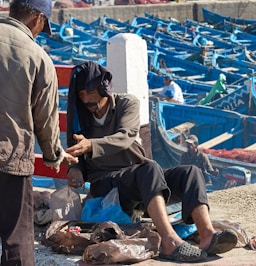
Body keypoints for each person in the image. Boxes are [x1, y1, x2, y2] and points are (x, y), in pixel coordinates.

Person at [65, 61, 238, 262]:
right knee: (150, 169)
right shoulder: (80, 116)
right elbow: (74, 153)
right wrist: (75, 168)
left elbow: (126, 136)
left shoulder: (127, 103)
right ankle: (169, 241)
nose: (86, 99)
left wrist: (91, 145)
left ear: (103, 88)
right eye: (81, 95)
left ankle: (207, 234)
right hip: (108, 183)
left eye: (90, 92)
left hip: (140, 178)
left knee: (190, 172)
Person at [0, 0, 79, 265]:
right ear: (38, 19)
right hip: (9, 158)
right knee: (17, 237)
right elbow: (46, 118)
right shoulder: (37, 56)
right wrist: (54, 154)